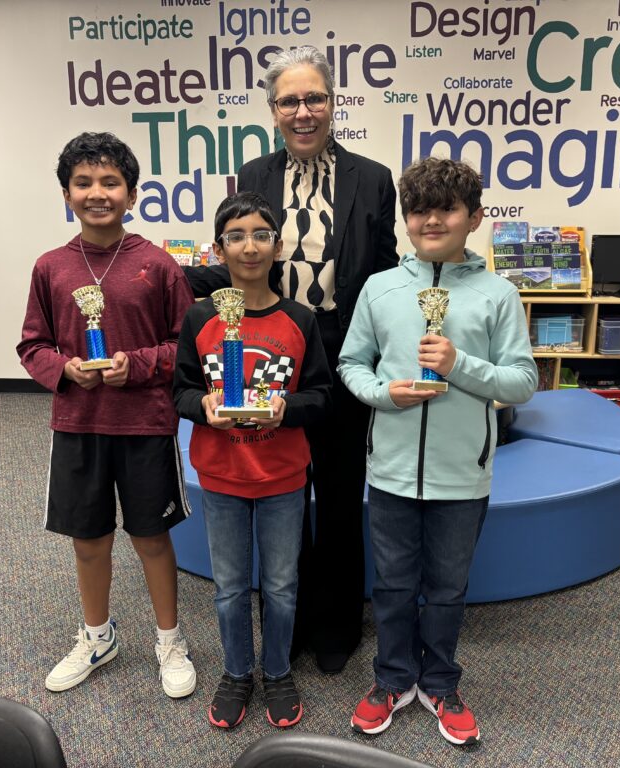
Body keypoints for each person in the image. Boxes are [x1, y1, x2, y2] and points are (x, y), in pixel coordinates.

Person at [184, 45, 398, 674]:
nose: (303, 111)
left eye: (315, 98)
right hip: (267, 344)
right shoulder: (253, 174)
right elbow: (240, 253)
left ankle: (334, 629)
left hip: (342, 347)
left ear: (333, 104)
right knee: (279, 494)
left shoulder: (373, 177)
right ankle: (288, 622)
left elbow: (382, 271)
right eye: (289, 101)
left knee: (336, 492)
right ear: (273, 110)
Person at [337, 157, 539, 745]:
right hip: (393, 471)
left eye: (446, 208)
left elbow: (522, 381)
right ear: (405, 218)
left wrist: (461, 366)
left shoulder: (497, 294)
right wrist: (384, 395)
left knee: (448, 588)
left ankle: (442, 682)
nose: (431, 220)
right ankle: (394, 679)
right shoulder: (381, 288)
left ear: (474, 217)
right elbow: (353, 363)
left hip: (463, 475)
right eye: (419, 209)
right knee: (394, 585)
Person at [18, 132, 197, 699]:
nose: (98, 193)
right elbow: (32, 346)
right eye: (84, 183)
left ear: (133, 192)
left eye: (110, 182)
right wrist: (66, 370)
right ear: (66, 194)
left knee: (151, 536)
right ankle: (97, 635)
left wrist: (138, 366)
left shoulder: (158, 266)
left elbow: (185, 347)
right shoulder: (50, 267)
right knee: (88, 539)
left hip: (145, 424)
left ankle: (170, 640)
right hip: (78, 425)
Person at [173, 192, 331, 729]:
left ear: (278, 245)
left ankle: (278, 670)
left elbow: (322, 396)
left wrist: (286, 410)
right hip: (221, 475)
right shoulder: (199, 317)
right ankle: (237, 672)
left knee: (283, 586)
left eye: (260, 235)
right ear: (219, 248)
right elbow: (180, 391)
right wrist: (204, 406)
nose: (249, 246)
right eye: (236, 236)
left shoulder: (300, 320)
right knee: (231, 586)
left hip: (283, 476)